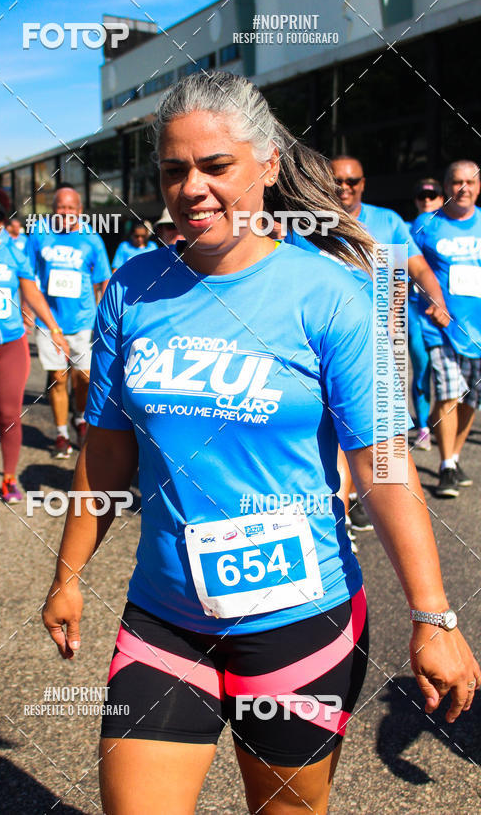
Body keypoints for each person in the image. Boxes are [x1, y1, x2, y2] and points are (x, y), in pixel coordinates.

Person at [43, 73, 479, 815]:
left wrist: (433, 618)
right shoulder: (131, 289)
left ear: (268, 164)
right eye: (174, 170)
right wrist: (69, 572)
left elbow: (383, 466)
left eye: (217, 167)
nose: (193, 189)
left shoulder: (336, 295)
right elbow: (107, 453)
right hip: (165, 617)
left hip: (298, 621)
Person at [320, 157, 449, 532]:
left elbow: (415, 267)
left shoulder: (387, 222)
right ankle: (339, 515)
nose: (344, 187)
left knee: (381, 439)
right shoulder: (307, 224)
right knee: (332, 432)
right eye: (336, 180)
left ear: (363, 183)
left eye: (351, 180)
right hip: (320, 343)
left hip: (378, 343)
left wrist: (435, 295)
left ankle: (366, 501)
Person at [0, 190, 69, 502]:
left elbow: (31, 292)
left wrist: (53, 327)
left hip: (11, 343)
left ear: (2, 222)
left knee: (9, 414)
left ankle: (9, 478)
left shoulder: (13, 252)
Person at [411, 160, 481, 498]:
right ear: (446, 186)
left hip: (478, 330)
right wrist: (428, 301)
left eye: (470, 182)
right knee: (448, 391)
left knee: (472, 398)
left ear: (478, 188)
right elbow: (407, 266)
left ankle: (453, 454)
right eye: (456, 182)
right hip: (439, 326)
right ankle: (447, 465)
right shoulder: (426, 225)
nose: (463, 188)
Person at [28, 193, 111, 456]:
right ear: (53, 209)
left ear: (80, 209)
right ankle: (62, 433)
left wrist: (106, 318)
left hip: (84, 320)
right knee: (57, 378)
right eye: (60, 207)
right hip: (49, 320)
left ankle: (80, 417)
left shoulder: (92, 238)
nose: (65, 212)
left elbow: (103, 281)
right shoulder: (39, 235)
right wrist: (26, 308)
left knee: (84, 379)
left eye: (70, 208)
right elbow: (26, 276)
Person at [409, 179, 445, 451]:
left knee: (449, 373)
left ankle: (438, 418)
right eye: (422, 195)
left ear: (443, 198)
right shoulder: (410, 230)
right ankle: (423, 426)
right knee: (422, 368)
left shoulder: (454, 230)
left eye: (432, 195)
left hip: (449, 315)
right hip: (415, 311)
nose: (427, 199)